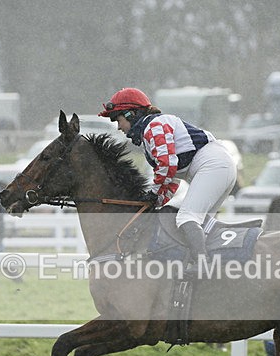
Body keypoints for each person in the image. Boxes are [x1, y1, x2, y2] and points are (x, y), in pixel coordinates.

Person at [98, 87, 237, 274]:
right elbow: (171, 180)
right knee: (201, 225)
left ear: (131, 114)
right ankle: (216, 266)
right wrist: (157, 201)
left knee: (187, 218)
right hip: (217, 166)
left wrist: (153, 193)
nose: (118, 127)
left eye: (118, 120)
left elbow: (167, 164)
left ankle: (203, 268)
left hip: (214, 166)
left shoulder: (153, 126)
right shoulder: (150, 132)